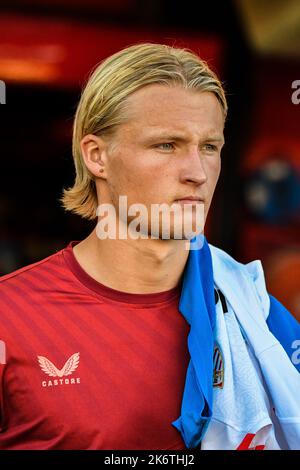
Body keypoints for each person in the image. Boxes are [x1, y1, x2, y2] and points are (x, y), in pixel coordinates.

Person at [0, 43, 299, 451]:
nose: (197, 172)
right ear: (97, 156)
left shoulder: (256, 310)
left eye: (209, 147)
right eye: (166, 145)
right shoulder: (10, 317)